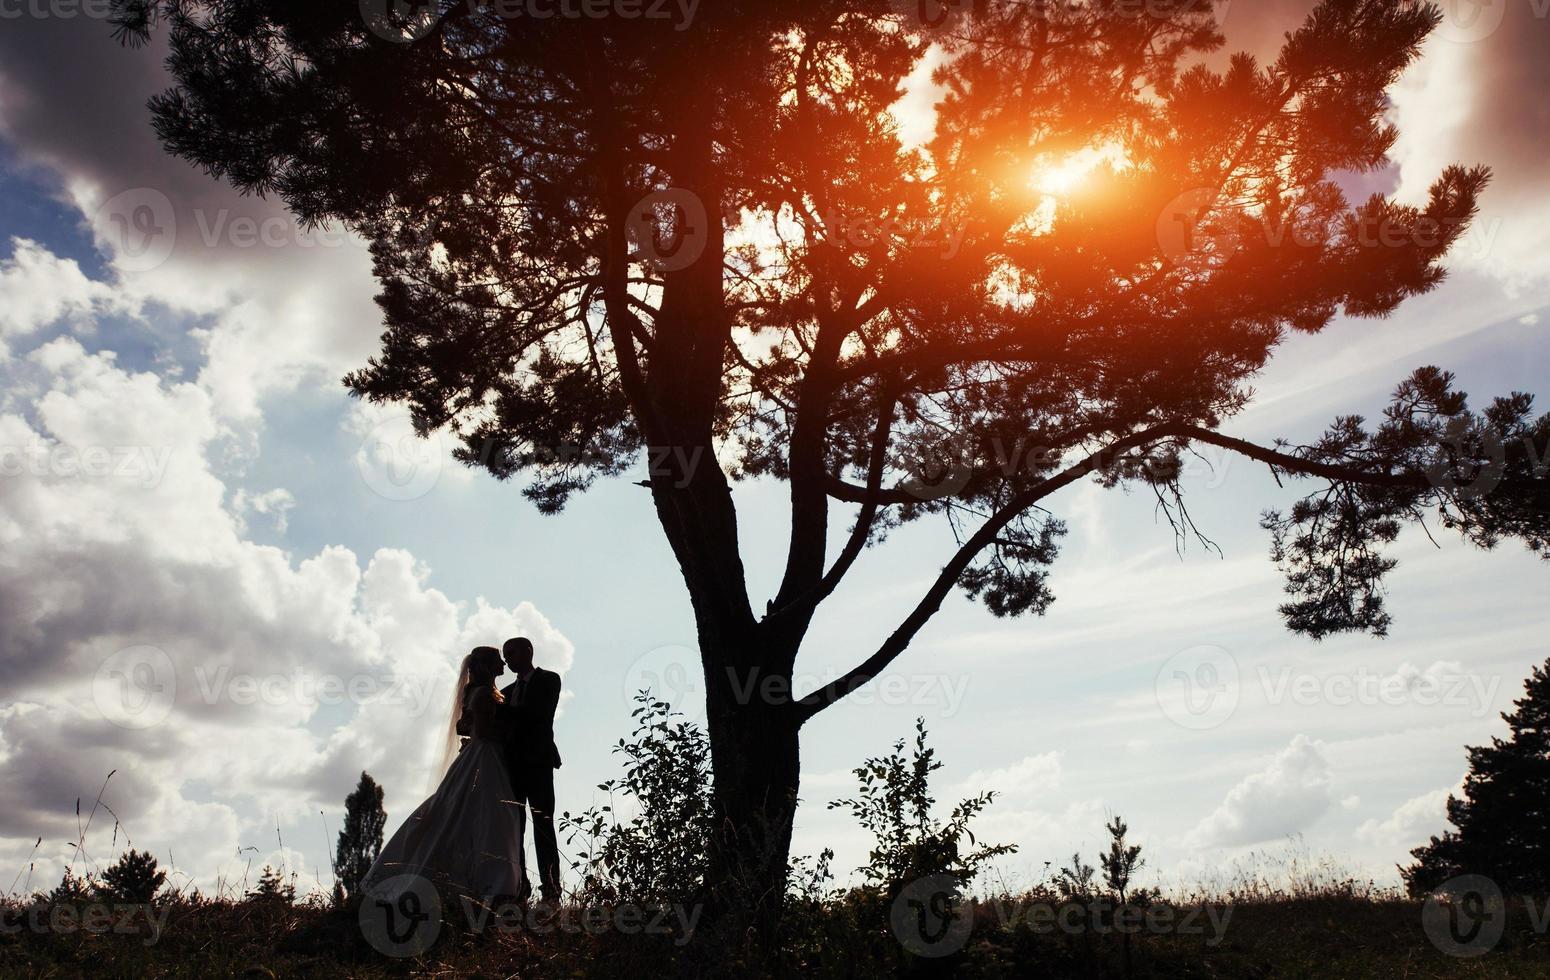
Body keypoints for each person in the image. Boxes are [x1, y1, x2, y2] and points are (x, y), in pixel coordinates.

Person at [360, 646, 527, 906]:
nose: (503, 663)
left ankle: (483, 880)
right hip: (485, 755)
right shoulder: (483, 693)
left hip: (481, 755)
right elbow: (482, 732)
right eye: (498, 660)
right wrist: (510, 734)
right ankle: (489, 882)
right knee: (492, 815)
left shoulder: (481, 692)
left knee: (469, 812)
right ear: (488, 666)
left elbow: (467, 725)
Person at [499, 636, 563, 902]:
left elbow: (538, 714)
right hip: (512, 767)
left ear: (528, 651)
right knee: (515, 828)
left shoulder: (549, 679)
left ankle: (551, 890)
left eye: (511, 653)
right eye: (504, 655)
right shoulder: (505, 692)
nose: (507, 660)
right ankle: (520, 888)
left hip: (537, 763)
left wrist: (499, 710)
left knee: (543, 825)